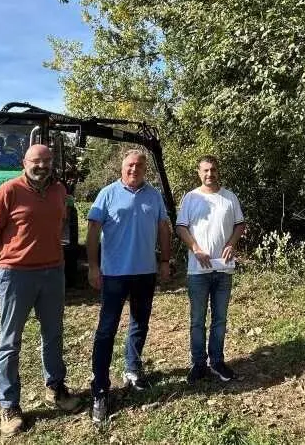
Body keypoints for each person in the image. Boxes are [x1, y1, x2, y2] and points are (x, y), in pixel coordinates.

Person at [0, 144, 81, 437]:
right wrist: (8, 261)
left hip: (53, 273)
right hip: (16, 276)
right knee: (10, 342)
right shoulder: (8, 191)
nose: (43, 166)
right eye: (37, 161)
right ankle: (9, 405)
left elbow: (58, 224)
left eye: (48, 161)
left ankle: (56, 389)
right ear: (25, 162)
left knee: (53, 334)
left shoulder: (59, 191)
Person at [86, 149, 172, 424]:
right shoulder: (107, 193)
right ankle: (100, 388)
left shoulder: (154, 195)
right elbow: (92, 231)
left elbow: (163, 229)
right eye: (130, 165)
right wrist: (93, 266)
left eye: (139, 165)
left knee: (140, 324)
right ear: (122, 167)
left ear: (146, 168)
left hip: (145, 273)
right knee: (106, 331)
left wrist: (165, 261)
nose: (134, 169)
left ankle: (133, 369)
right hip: (113, 276)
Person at [175, 156, 246, 384]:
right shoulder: (191, 198)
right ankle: (198, 364)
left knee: (220, 319)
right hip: (198, 271)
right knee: (197, 320)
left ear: (218, 171)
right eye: (205, 170)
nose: (209, 174)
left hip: (223, 269)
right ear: (199, 173)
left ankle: (217, 361)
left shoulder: (229, 197)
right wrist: (195, 248)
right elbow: (180, 227)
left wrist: (231, 243)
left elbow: (240, 224)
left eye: (213, 169)